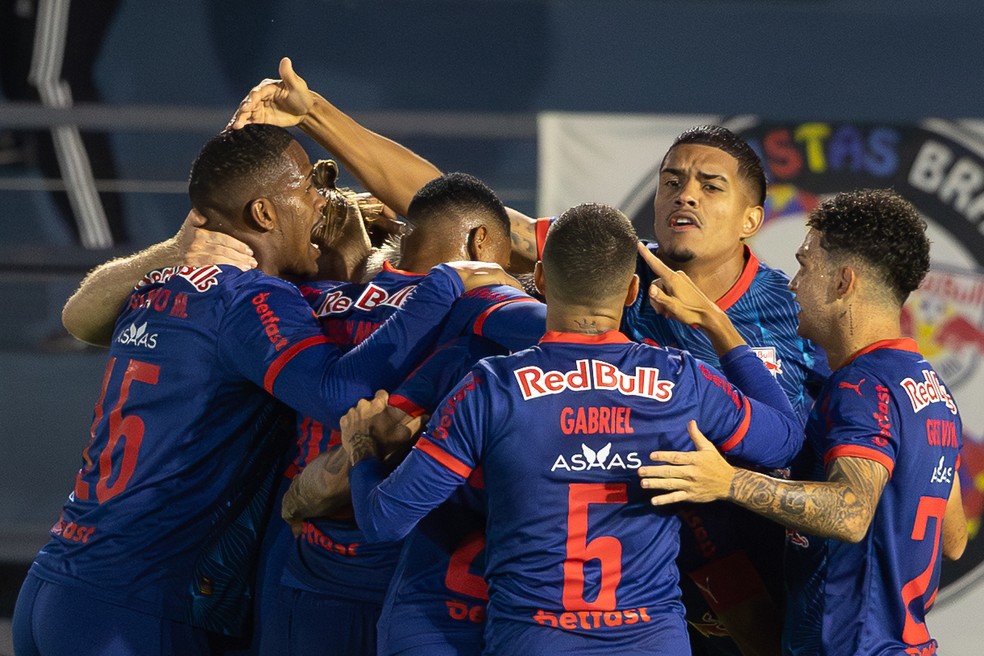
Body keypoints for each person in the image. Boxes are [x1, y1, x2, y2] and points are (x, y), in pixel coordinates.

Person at [230, 59, 829, 654]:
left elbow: (808, 442)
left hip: (738, 560)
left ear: (753, 218)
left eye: (709, 185)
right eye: (672, 180)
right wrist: (315, 113)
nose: (684, 195)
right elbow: (459, 211)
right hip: (634, 586)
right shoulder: (612, 261)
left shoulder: (791, 307)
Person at [10, 124, 507, 656]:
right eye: (308, 189)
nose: (322, 203)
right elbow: (338, 389)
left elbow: (81, 316)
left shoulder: (155, 282)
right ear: (265, 215)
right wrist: (449, 281)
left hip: (56, 581)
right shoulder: (252, 300)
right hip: (137, 605)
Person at [339, 203, 806, 655]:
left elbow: (384, 521)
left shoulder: (491, 388)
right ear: (630, 291)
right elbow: (784, 438)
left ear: (539, 279)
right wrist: (717, 324)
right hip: (651, 640)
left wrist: (362, 450)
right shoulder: (681, 381)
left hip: (534, 640)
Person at [639, 189, 968, 655]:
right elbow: (952, 539)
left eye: (805, 265)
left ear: (843, 282)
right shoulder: (930, 389)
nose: (793, 284)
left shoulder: (860, 387)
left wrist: (728, 482)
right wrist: (720, 327)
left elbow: (850, 512)